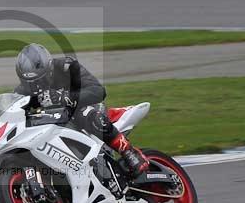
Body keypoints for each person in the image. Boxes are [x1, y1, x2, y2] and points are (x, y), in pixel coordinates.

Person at [14, 43, 150, 176]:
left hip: (86, 109)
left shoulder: (67, 67)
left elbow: (98, 91)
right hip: (56, 126)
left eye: (39, 80)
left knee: (87, 114)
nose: (35, 86)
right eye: (28, 83)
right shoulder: (21, 92)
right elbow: (16, 114)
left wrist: (63, 97)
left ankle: (129, 152)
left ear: (49, 70)